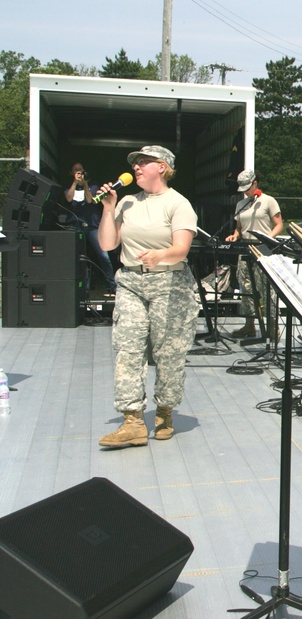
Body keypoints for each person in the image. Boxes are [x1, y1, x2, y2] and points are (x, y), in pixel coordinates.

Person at [96, 145, 200, 449]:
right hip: (130, 281)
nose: (137, 167)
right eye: (135, 163)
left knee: (168, 353)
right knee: (127, 349)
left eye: (144, 162)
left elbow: (181, 248)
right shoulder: (127, 202)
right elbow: (107, 243)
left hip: (169, 282)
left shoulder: (178, 204)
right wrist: (107, 206)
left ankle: (165, 411)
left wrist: (160, 254)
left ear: (163, 168)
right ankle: (132, 421)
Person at [225, 169, 283, 339]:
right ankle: (249, 324)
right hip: (245, 248)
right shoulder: (241, 204)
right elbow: (239, 228)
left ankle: (273, 327)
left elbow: (279, 224)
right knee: (246, 287)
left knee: (265, 288)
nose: (245, 192)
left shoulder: (268, 201)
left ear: (255, 184)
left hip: (262, 248)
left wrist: (268, 239)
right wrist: (235, 235)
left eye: (247, 188)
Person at [63, 162, 117, 296]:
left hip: (91, 225)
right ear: (71, 173)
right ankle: (77, 289)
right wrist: (75, 183)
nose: (78, 172)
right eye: (76, 170)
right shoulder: (68, 186)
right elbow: (69, 198)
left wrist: (85, 184)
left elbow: (89, 200)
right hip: (74, 225)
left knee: (103, 256)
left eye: (80, 170)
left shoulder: (93, 186)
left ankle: (112, 287)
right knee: (72, 258)